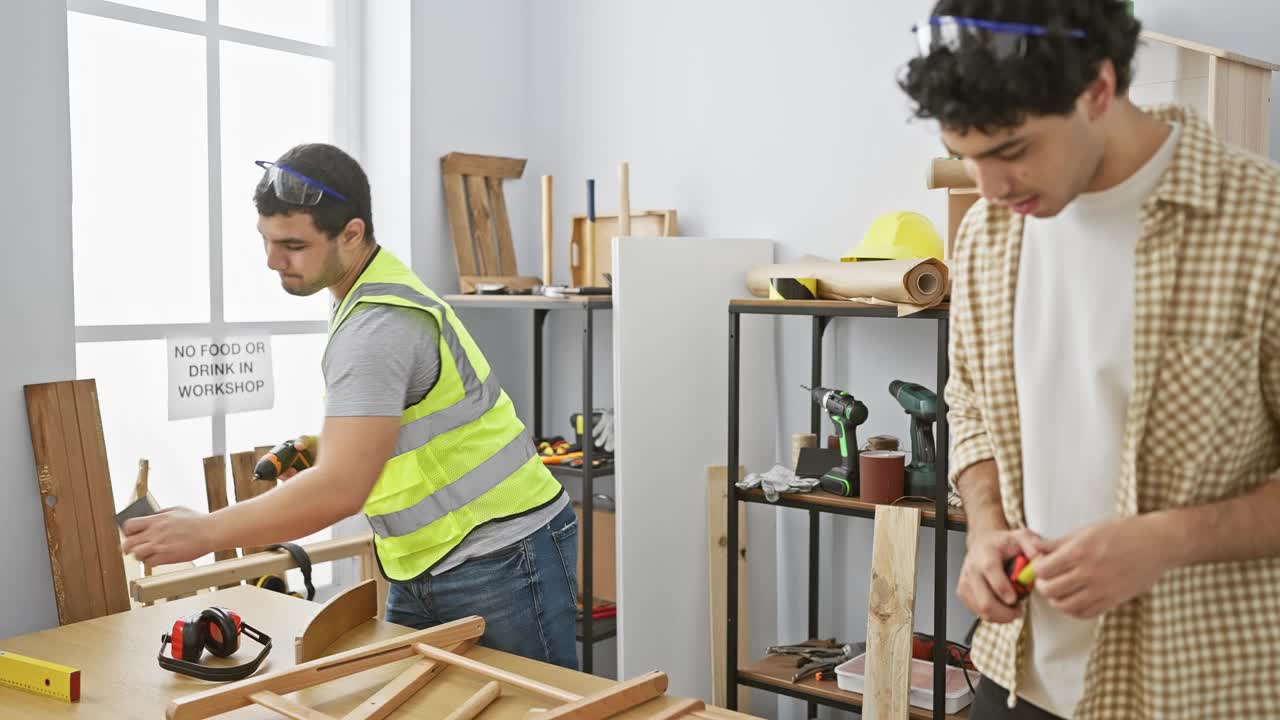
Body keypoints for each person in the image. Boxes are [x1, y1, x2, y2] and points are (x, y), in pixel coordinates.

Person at [900, 2, 1280, 718]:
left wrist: (1164, 542)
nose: (989, 189)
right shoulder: (986, 235)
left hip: (1201, 689)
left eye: (1010, 151)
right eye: (966, 156)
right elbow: (971, 403)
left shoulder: (1263, 225)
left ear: (1098, 89)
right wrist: (984, 529)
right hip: (1019, 676)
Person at [122, 143, 580, 670]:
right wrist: (333, 443)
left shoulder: (376, 328)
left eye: (292, 244)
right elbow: (421, 419)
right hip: (426, 561)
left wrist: (204, 532)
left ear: (352, 233)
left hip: (501, 556)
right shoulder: (367, 289)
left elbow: (341, 489)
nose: (272, 260)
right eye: (266, 241)